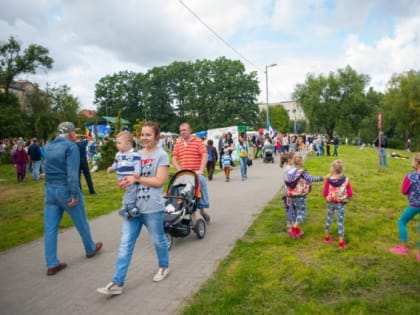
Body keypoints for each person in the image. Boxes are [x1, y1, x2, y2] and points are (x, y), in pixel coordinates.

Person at [97, 122, 170, 296]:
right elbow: (126, 175)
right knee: (125, 244)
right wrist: (124, 182)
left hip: (152, 208)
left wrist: (136, 179)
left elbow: (159, 181)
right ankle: (117, 282)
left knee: (158, 240)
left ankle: (163, 266)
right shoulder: (134, 154)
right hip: (132, 208)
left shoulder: (162, 155)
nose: (144, 138)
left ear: (156, 136)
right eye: (142, 134)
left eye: (148, 135)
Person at [43, 122, 102, 276]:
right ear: (69, 134)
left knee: (50, 228)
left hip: (50, 189)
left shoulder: (48, 146)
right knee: (81, 220)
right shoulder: (71, 147)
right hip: (66, 189)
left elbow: (46, 168)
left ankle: (51, 263)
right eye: (74, 133)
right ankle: (90, 248)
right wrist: (74, 194)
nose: (75, 135)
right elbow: (72, 173)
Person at [172, 122, 211, 223]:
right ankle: (177, 210)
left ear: (190, 130)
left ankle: (202, 209)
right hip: (184, 173)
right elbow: (174, 158)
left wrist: (201, 170)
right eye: (181, 131)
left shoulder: (198, 141)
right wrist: (179, 169)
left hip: (195, 172)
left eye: (184, 130)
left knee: (201, 181)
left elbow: (204, 155)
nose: (182, 132)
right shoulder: (178, 143)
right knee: (177, 189)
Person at [285, 154, 326, 238]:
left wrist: (288, 196)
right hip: (300, 195)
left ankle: (296, 231)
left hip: (292, 195)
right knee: (302, 213)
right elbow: (311, 179)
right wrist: (323, 178)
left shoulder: (290, 172)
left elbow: (289, 185)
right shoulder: (302, 172)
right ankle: (293, 229)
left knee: (298, 212)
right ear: (302, 162)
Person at [389, 153, 420, 262]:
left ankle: (403, 248)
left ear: (416, 163)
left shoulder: (410, 176)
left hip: (414, 205)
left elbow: (404, 191)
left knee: (401, 221)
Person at [107, 131, 142, 219]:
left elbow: (137, 164)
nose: (117, 145)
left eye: (119, 143)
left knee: (131, 191)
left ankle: (126, 207)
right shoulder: (118, 154)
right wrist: (112, 168)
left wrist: (137, 172)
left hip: (130, 176)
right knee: (129, 191)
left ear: (128, 143)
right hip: (120, 176)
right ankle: (130, 207)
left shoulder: (134, 154)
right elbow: (116, 164)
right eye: (117, 143)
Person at [323, 160, 353, 249]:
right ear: (342, 169)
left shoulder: (329, 179)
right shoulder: (346, 179)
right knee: (340, 222)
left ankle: (326, 238)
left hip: (330, 202)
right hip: (341, 203)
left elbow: (325, 193)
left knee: (329, 219)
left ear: (332, 169)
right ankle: (341, 243)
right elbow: (350, 193)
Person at [280, 152, 295, 228]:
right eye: (293, 159)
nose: (294, 160)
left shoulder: (288, 167)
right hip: (289, 190)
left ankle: (292, 219)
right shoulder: (289, 169)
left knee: (290, 205)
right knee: (290, 206)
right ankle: (289, 221)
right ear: (289, 160)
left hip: (288, 189)